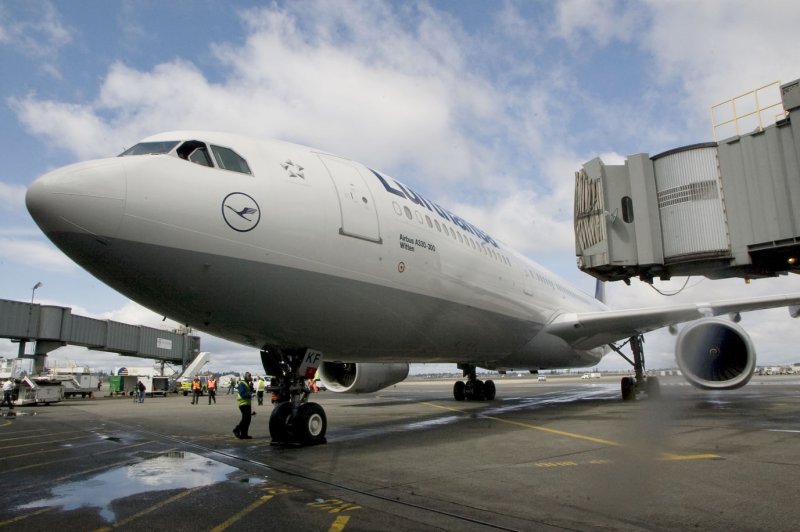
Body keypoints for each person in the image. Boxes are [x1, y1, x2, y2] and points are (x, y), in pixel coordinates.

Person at [233, 372, 254, 439]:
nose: (250, 377)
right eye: (249, 376)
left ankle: (244, 434)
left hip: (247, 403)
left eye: (250, 376)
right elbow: (242, 394)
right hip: (243, 403)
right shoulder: (242, 383)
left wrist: (251, 387)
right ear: (245, 377)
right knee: (246, 419)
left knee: (247, 419)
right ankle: (237, 429)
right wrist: (250, 395)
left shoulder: (248, 383)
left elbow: (250, 391)